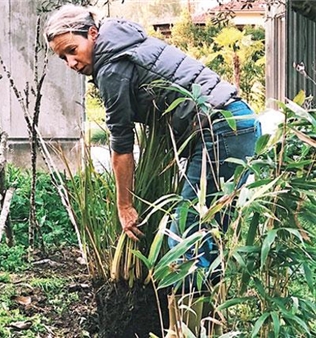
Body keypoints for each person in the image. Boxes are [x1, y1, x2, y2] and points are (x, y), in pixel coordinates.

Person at [44, 4, 261, 335]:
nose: (72, 63)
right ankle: (215, 327)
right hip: (236, 123)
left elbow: (121, 145)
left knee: (184, 240)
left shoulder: (111, 67)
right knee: (210, 238)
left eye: (72, 51)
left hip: (222, 129)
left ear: (91, 34)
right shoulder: (125, 44)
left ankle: (191, 329)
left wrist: (124, 205)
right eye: (64, 58)